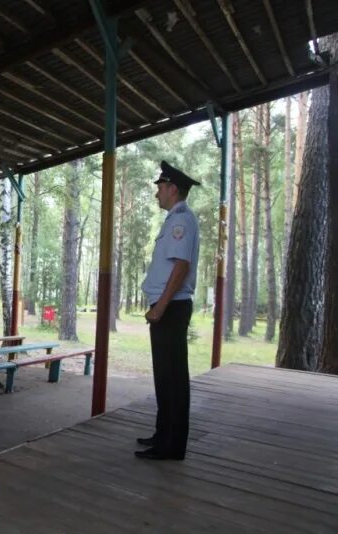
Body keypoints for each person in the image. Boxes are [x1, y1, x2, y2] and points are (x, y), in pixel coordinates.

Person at [135, 160, 201, 461]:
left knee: (172, 376)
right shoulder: (175, 219)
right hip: (167, 307)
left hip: (171, 308)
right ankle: (163, 435)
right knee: (165, 376)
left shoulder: (181, 220)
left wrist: (160, 307)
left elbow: (181, 267)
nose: (156, 193)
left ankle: (172, 445)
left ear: (173, 189)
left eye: (160, 187)